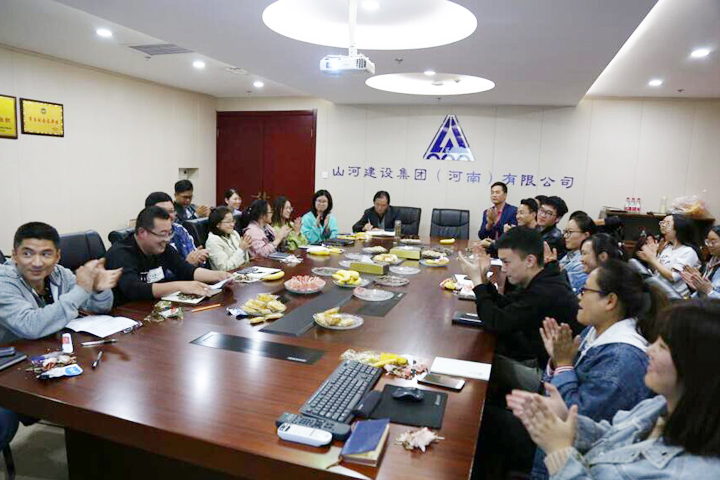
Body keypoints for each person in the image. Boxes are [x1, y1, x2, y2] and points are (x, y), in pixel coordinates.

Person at [507, 299, 720, 480]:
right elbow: (611, 434)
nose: (649, 350)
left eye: (662, 347)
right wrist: (568, 419)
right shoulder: (660, 405)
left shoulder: (695, 472)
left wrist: (560, 453)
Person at [531, 260, 662, 479]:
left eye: (585, 291)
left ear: (610, 301)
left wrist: (563, 364)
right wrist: (556, 362)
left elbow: (574, 422)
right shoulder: (593, 331)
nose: (579, 296)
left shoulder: (623, 358)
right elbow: (549, 391)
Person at [0, 222, 121, 453]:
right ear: (14, 255)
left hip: (46, 357)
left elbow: (99, 307)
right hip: (9, 368)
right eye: (27, 253)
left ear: (57, 256)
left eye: (46, 254)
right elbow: (31, 325)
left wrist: (98, 289)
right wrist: (82, 289)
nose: (37, 262)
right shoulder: (3, 282)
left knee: (104, 383)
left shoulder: (60, 274)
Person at [459, 227, 580, 393]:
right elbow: (505, 304)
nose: (503, 269)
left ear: (529, 261)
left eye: (506, 262)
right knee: (486, 350)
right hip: (538, 356)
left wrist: (477, 282)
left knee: (481, 362)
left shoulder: (545, 291)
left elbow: (496, 322)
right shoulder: (543, 278)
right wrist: (484, 281)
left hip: (548, 377)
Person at [105, 206, 232, 305]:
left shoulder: (163, 248)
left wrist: (218, 275)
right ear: (142, 232)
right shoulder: (121, 253)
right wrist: (180, 286)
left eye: (169, 233)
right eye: (162, 234)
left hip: (155, 309)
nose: (167, 239)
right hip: (127, 314)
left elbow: (185, 270)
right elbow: (133, 289)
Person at [637, 214, 700, 297]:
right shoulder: (667, 248)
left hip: (675, 298)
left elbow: (673, 277)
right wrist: (650, 259)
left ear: (679, 228)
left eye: (667, 223)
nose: (663, 227)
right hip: (660, 294)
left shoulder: (688, 251)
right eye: (662, 223)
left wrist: (652, 259)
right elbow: (657, 271)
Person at [145, 192, 209, 267]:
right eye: (162, 212)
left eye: (171, 211)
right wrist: (187, 264)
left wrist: (199, 257)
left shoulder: (179, 229)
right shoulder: (146, 237)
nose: (168, 216)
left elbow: (194, 257)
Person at [557, 211, 596, 293]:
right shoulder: (572, 253)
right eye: (565, 231)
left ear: (586, 235)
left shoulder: (583, 262)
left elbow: (563, 287)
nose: (565, 236)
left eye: (570, 232)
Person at [205, 207, 251, 271]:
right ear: (218, 224)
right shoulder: (213, 241)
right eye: (228, 222)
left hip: (242, 271)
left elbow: (245, 260)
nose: (232, 224)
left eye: (232, 221)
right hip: (227, 275)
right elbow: (225, 268)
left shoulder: (234, 233)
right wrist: (241, 249)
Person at [682, 225, 720, 298]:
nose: (709, 245)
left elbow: (710, 290)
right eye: (707, 241)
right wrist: (698, 284)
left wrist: (709, 291)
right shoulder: (712, 262)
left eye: (713, 242)